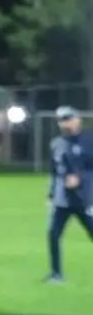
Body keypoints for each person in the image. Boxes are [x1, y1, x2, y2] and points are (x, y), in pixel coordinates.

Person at [46, 105, 93, 283]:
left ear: (78, 119)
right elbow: (54, 171)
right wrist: (51, 193)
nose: (65, 123)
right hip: (62, 200)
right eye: (62, 120)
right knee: (53, 234)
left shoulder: (89, 140)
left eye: (68, 119)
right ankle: (56, 274)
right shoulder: (56, 144)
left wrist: (80, 178)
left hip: (85, 198)